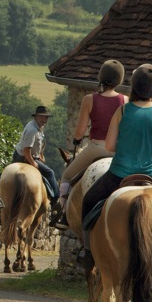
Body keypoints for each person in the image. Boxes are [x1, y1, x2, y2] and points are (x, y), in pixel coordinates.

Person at [79, 63, 152, 271]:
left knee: (89, 201)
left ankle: (87, 251)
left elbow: (109, 145)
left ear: (133, 86)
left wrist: (127, 149)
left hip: (119, 174)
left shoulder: (123, 110)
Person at [53, 60, 128, 230]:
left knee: (66, 176)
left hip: (96, 148)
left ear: (101, 77)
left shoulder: (89, 99)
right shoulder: (125, 100)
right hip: (118, 152)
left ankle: (63, 214)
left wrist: (77, 141)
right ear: (120, 80)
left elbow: (80, 131)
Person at [12, 105, 61, 223]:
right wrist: (33, 163)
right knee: (50, 172)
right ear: (37, 117)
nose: (45, 120)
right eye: (43, 117)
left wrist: (40, 155)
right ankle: (56, 200)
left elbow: (38, 145)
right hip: (24, 156)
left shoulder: (39, 127)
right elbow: (26, 151)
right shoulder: (32, 130)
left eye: (47, 118)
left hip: (32, 155)